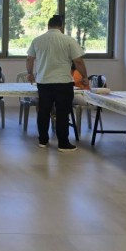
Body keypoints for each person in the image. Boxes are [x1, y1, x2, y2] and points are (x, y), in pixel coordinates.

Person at [27, 15, 88, 152]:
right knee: (62, 113)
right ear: (61, 26)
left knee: (43, 111)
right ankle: (63, 143)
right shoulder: (69, 40)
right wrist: (84, 76)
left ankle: (43, 140)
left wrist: (30, 73)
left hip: (43, 82)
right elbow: (78, 61)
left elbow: (29, 59)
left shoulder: (37, 40)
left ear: (48, 25)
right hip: (63, 82)